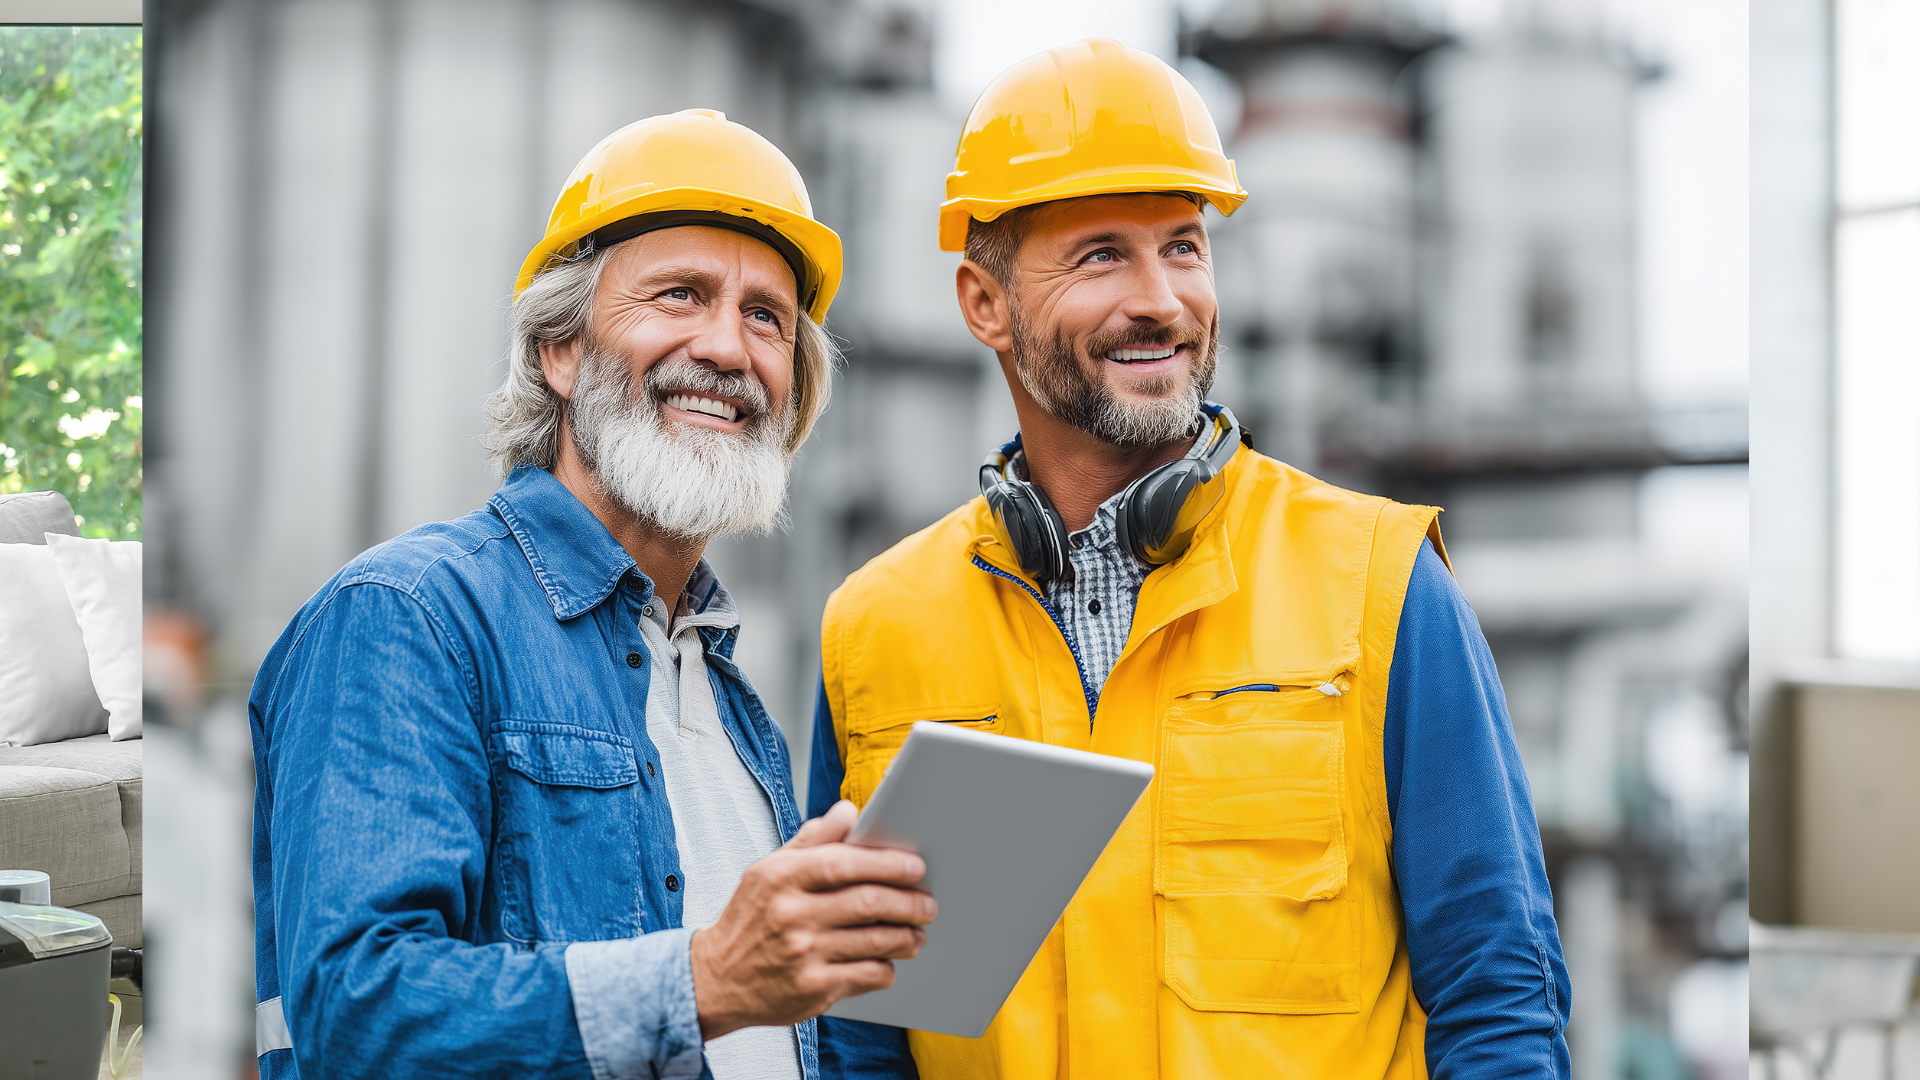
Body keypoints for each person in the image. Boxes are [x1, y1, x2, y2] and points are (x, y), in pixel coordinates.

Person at [809, 41, 1572, 1079]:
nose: (1161, 298)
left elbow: (1497, 998)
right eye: (1100, 255)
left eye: (1184, 246)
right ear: (984, 304)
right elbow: (861, 1031)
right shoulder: (878, 631)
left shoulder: (1380, 588)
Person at [249, 109, 934, 1080]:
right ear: (559, 352)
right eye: (680, 295)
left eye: (765, 316)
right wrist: (705, 979)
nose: (730, 350)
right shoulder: (409, 619)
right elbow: (360, 1014)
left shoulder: (732, 702)